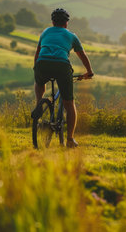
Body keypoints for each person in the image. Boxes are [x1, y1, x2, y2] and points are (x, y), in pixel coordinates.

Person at [32, 8, 94, 148]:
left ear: (53, 22)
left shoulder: (46, 32)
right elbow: (82, 55)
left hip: (43, 63)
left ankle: (39, 105)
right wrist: (89, 71)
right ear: (66, 23)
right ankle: (70, 140)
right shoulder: (72, 36)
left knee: (39, 82)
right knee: (69, 103)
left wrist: (36, 68)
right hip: (62, 66)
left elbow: (38, 52)